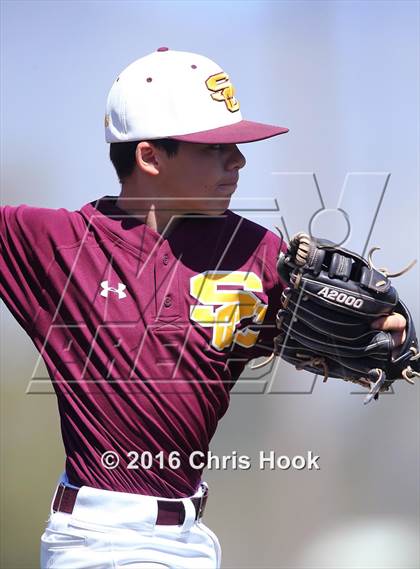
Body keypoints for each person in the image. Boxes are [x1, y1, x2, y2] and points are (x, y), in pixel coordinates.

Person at [0, 47, 407, 569]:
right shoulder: (55, 244)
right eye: (214, 147)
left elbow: (366, 337)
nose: (238, 160)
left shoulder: (255, 252)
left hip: (192, 541)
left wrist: (385, 333)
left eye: (235, 146)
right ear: (149, 156)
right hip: (101, 540)